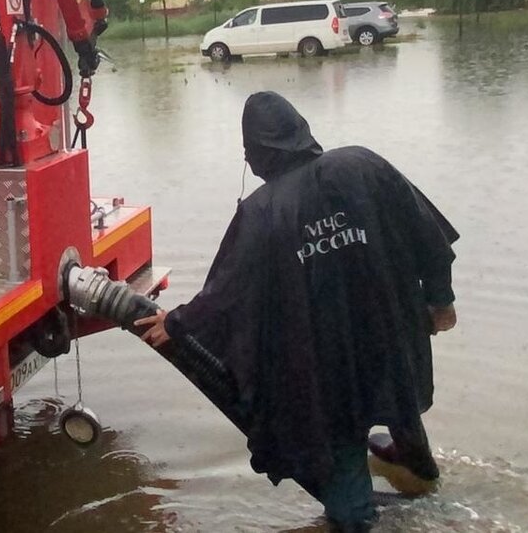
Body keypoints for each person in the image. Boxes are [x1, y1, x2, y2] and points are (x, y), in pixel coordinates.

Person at [135, 91, 459, 532]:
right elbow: (426, 233)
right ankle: (421, 473)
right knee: (397, 394)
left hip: (328, 362)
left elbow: (225, 292)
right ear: (301, 131)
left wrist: (175, 323)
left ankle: (355, 519)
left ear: (256, 154)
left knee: (342, 438)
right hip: (392, 334)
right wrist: (441, 301)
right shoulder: (363, 165)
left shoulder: (262, 211)